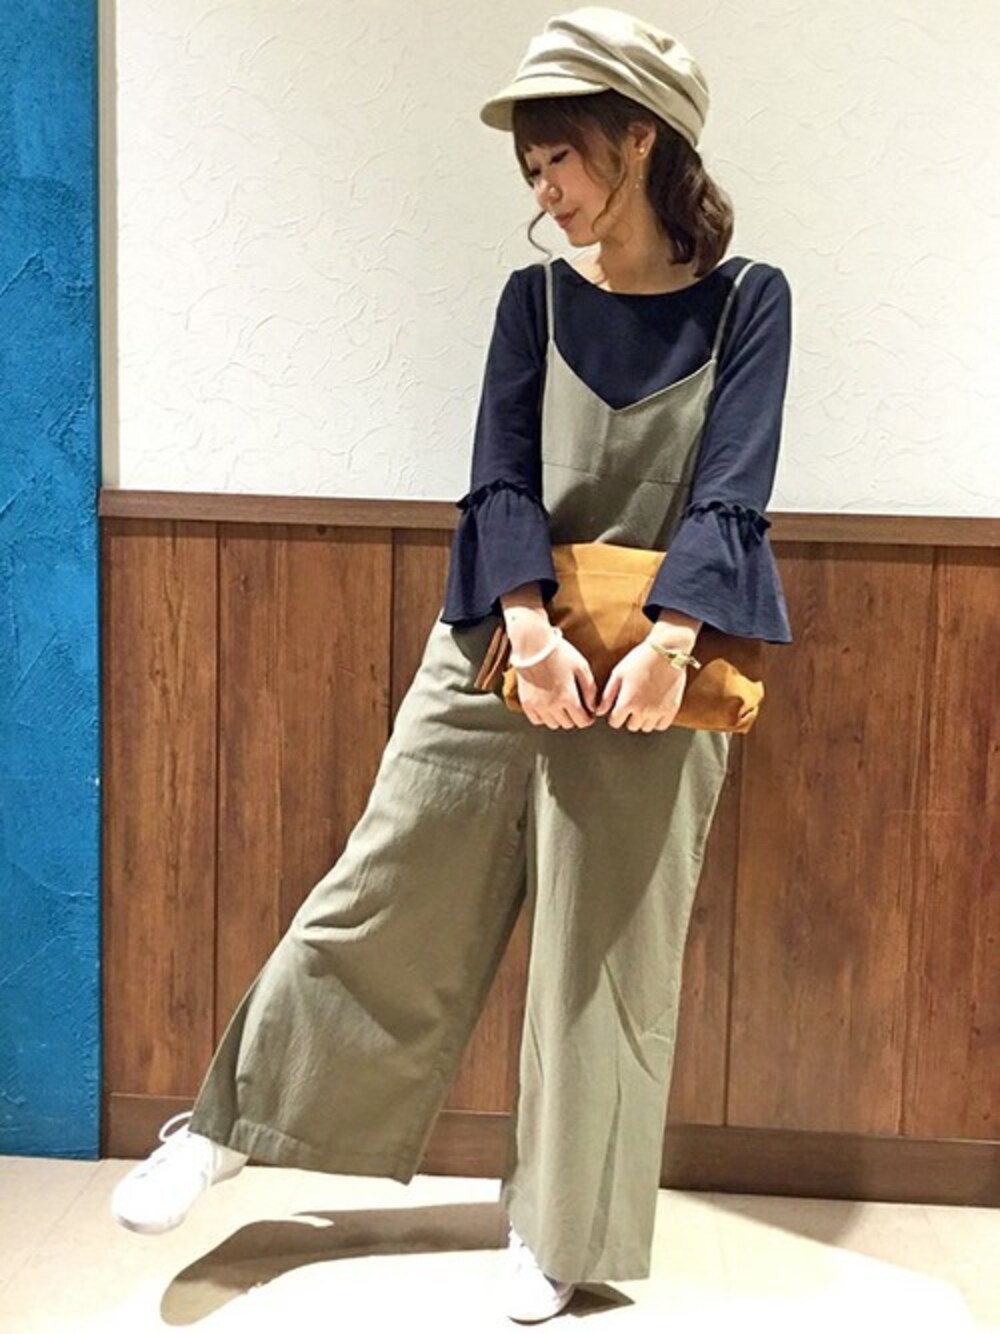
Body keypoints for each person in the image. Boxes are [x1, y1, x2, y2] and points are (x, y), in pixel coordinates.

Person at [110, 6, 793, 1324]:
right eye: (531, 169)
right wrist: (528, 631)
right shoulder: (533, 300)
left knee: (604, 954)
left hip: (658, 672)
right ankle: (230, 1122)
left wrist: (670, 643)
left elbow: (734, 482)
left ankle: (557, 1226)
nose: (544, 191)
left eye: (560, 158)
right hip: (503, 639)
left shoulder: (749, 300)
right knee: (388, 877)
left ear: (639, 139)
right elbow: (499, 473)